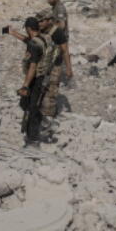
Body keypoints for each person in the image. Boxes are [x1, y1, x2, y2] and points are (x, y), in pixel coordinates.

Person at [13, 17, 56, 146]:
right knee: (28, 104)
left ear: (28, 29)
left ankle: (33, 139)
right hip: (45, 77)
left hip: (36, 79)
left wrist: (25, 86)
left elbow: (32, 66)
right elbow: (31, 41)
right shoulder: (46, 38)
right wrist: (13, 33)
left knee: (32, 107)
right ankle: (40, 123)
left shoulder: (34, 44)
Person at [37, 10, 71, 121]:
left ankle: (48, 118)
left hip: (54, 67)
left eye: (42, 21)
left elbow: (65, 51)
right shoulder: (40, 31)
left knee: (51, 92)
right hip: (41, 65)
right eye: (38, 21)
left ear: (49, 21)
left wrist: (69, 69)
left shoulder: (58, 33)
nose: (40, 23)